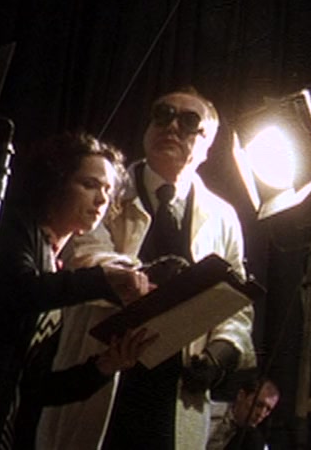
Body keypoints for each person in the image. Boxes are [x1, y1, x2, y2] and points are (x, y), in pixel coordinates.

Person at [38, 88, 255, 449]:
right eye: (163, 114)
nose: (172, 126)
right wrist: (148, 278)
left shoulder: (223, 217)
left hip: (175, 392)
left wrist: (220, 355)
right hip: (100, 377)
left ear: (207, 146)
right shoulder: (106, 189)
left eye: (189, 121)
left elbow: (236, 303)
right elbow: (86, 254)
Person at [0, 132, 154, 449]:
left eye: (107, 190)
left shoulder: (55, 265)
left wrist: (106, 364)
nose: (101, 200)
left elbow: (36, 388)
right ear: (55, 182)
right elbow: (20, 291)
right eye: (89, 185)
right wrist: (101, 279)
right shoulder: (14, 227)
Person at [206, 374, 281, 450]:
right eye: (258, 404)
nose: (261, 414)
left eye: (268, 409)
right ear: (241, 396)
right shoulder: (209, 412)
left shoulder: (257, 443)